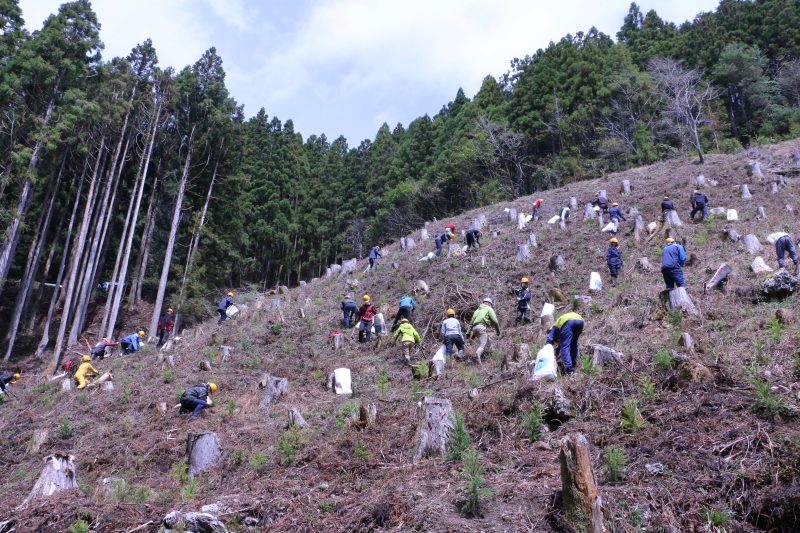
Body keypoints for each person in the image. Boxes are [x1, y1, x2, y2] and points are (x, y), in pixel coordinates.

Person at [469, 297, 501, 363]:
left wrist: (469, 334)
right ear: (489, 303)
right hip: (481, 327)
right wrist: (498, 331)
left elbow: (471, 323)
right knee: (483, 344)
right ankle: (477, 355)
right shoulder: (489, 308)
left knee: (488, 340)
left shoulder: (477, 310)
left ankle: (488, 354)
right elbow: (495, 321)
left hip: (474, 329)